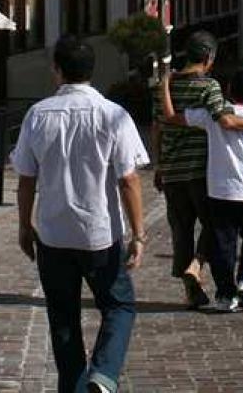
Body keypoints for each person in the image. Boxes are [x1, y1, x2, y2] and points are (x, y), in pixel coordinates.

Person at [12, 35, 150, 393]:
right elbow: (129, 179)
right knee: (119, 305)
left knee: (63, 318)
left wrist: (24, 226)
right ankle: (103, 376)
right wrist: (138, 234)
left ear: (56, 70)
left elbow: (26, 179)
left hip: (54, 231)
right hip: (98, 230)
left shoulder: (37, 114)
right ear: (93, 70)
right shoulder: (113, 114)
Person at [152, 31, 243, 308]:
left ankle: (191, 289)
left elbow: (160, 125)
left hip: (173, 168)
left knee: (181, 230)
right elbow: (226, 121)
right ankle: (196, 267)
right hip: (202, 168)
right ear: (209, 58)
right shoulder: (210, 87)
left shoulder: (165, 87)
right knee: (215, 227)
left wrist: (159, 165)